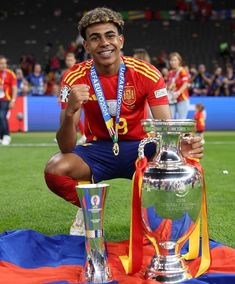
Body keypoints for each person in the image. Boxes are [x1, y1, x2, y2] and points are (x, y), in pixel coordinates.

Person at [44, 7, 204, 236]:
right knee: (55, 169)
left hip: (141, 146)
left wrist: (182, 146)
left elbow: (164, 127)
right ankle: (89, 205)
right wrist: (70, 111)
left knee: (182, 161)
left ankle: (160, 221)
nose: (104, 43)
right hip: (97, 148)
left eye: (110, 35)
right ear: (86, 46)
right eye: (95, 38)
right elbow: (66, 147)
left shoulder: (147, 73)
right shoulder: (73, 77)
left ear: (121, 40)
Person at [166, 52, 190, 119]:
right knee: (169, 119)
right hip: (171, 99)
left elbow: (185, 83)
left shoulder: (183, 71)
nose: (172, 62)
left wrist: (178, 93)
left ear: (179, 61)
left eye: (174, 60)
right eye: (171, 60)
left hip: (182, 99)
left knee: (181, 120)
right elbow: (168, 84)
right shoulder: (170, 73)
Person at [0, 55, 17, 145]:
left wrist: (13, 100)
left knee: (2, 116)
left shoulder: (10, 74)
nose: (3, 65)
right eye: (1, 63)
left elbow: (14, 88)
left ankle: (6, 136)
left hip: (6, 99)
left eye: (4, 63)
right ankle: (1, 136)